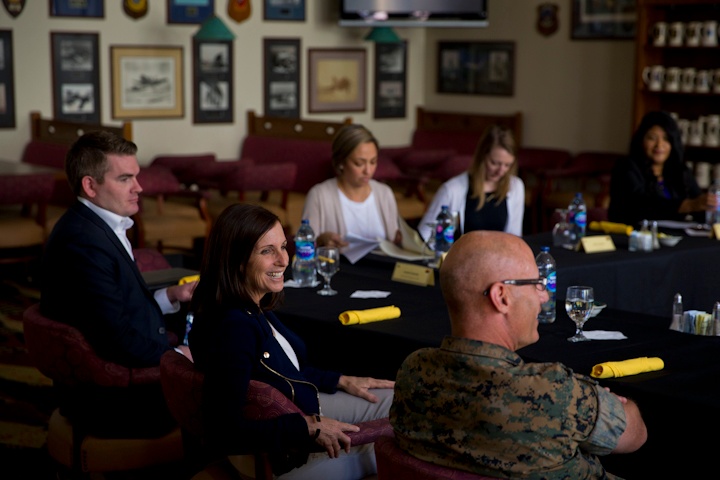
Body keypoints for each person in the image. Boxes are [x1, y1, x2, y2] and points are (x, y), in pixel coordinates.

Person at [390, 230, 648, 479]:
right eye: (537, 284)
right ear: (501, 297)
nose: (544, 297)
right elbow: (635, 435)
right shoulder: (553, 390)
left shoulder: (413, 372)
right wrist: (601, 400)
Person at [188, 204, 395, 480]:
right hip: (276, 460)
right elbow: (223, 430)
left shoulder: (244, 305)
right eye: (267, 251)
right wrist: (308, 427)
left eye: (283, 246)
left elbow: (283, 371)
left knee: (398, 400)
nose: (284, 260)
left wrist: (341, 380)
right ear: (236, 260)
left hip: (296, 411)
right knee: (392, 446)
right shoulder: (234, 327)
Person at [40, 130, 197, 437]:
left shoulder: (96, 225)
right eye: (125, 178)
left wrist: (170, 295)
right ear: (90, 185)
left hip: (120, 374)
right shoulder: (83, 243)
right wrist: (178, 357)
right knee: (232, 384)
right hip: (116, 398)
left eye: (136, 176)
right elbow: (116, 339)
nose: (139, 187)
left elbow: (116, 307)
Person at [301, 124, 401, 258]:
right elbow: (305, 246)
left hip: (382, 271)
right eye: (359, 163)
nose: (368, 171)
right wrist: (322, 239)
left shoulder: (384, 193)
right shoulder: (319, 195)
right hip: (340, 272)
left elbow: (395, 243)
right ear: (341, 161)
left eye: (373, 162)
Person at [418, 124, 525, 242]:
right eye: (495, 163)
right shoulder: (452, 190)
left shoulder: (516, 187)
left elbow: (515, 237)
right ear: (482, 157)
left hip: (499, 258)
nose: (501, 171)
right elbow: (425, 234)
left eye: (507, 165)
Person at [608, 110, 708, 227]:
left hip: (676, 237)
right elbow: (639, 206)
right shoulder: (625, 167)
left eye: (666, 139)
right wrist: (689, 205)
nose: (659, 145)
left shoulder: (680, 170)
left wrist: (707, 205)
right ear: (641, 140)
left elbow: (698, 203)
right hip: (634, 237)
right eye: (652, 138)